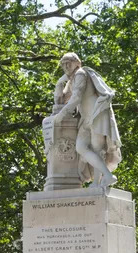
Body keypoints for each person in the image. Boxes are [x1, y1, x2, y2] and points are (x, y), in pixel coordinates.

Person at [50, 52, 122, 187]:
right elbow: (61, 100)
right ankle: (107, 176)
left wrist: (62, 114)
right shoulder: (72, 80)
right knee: (81, 147)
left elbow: (76, 97)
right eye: (63, 65)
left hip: (96, 115)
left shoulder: (80, 74)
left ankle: (98, 182)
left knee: (97, 149)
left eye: (68, 63)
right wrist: (60, 83)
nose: (66, 67)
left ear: (77, 63)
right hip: (85, 119)